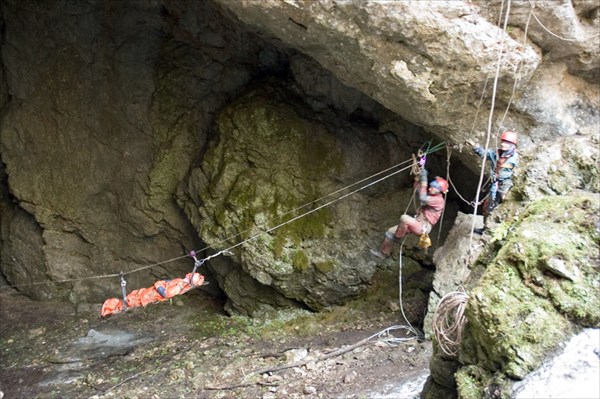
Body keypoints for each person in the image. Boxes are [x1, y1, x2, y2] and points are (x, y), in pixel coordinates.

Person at [370, 168, 448, 259]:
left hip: (424, 227)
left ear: (439, 191)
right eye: (430, 186)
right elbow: (417, 191)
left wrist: (424, 179)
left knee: (404, 218)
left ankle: (398, 237)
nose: (430, 188)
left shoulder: (439, 200)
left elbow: (422, 197)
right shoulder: (431, 194)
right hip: (417, 220)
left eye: (433, 188)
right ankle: (383, 253)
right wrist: (417, 179)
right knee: (390, 231)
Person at [468, 130, 519, 233]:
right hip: (495, 184)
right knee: (487, 207)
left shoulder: (516, 159)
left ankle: (504, 229)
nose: (503, 144)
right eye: (503, 142)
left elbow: (518, 174)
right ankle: (486, 228)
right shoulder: (496, 154)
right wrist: (475, 147)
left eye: (506, 143)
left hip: (506, 185)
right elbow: (484, 153)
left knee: (504, 206)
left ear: (512, 145)